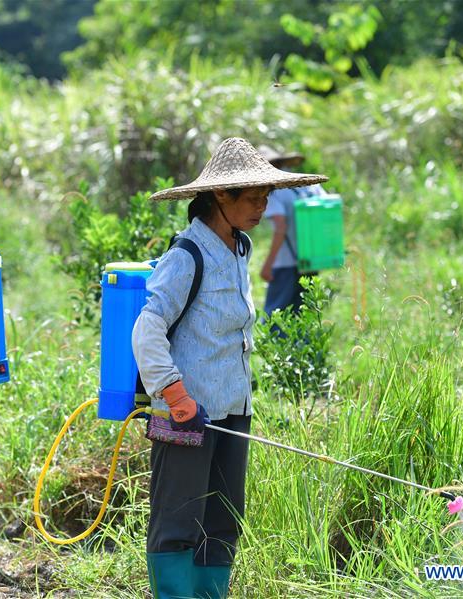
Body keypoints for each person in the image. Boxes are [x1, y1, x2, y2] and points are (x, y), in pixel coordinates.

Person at [132, 138, 327, 599]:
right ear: (222, 195)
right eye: (255, 196)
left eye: (267, 195)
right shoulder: (188, 255)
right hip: (184, 411)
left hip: (233, 408)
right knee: (178, 519)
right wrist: (176, 396)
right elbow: (147, 329)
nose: (264, 205)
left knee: (223, 518)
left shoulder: (239, 249)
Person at [258, 146, 328, 316]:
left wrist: (268, 264)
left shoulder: (273, 193)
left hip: (285, 263)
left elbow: (281, 227)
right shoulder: (308, 186)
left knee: (275, 315)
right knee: (304, 314)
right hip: (311, 259)